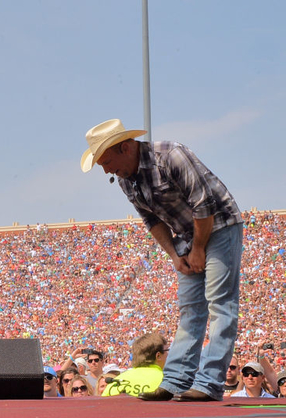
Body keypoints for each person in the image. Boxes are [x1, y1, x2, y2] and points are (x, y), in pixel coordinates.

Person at [83, 119, 243, 402]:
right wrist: (175, 255)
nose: (107, 170)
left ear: (127, 147)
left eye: (107, 161)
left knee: (220, 304)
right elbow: (152, 219)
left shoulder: (170, 155)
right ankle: (176, 382)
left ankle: (208, 384)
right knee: (190, 311)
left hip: (219, 226)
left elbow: (203, 204)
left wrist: (198, 249)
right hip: (184, 235)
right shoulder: (125, 180)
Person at [102, 333, 167, 397]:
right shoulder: (167, 382)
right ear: (158, 356)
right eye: (167, 350)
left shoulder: (114, 383)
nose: (168, 354)